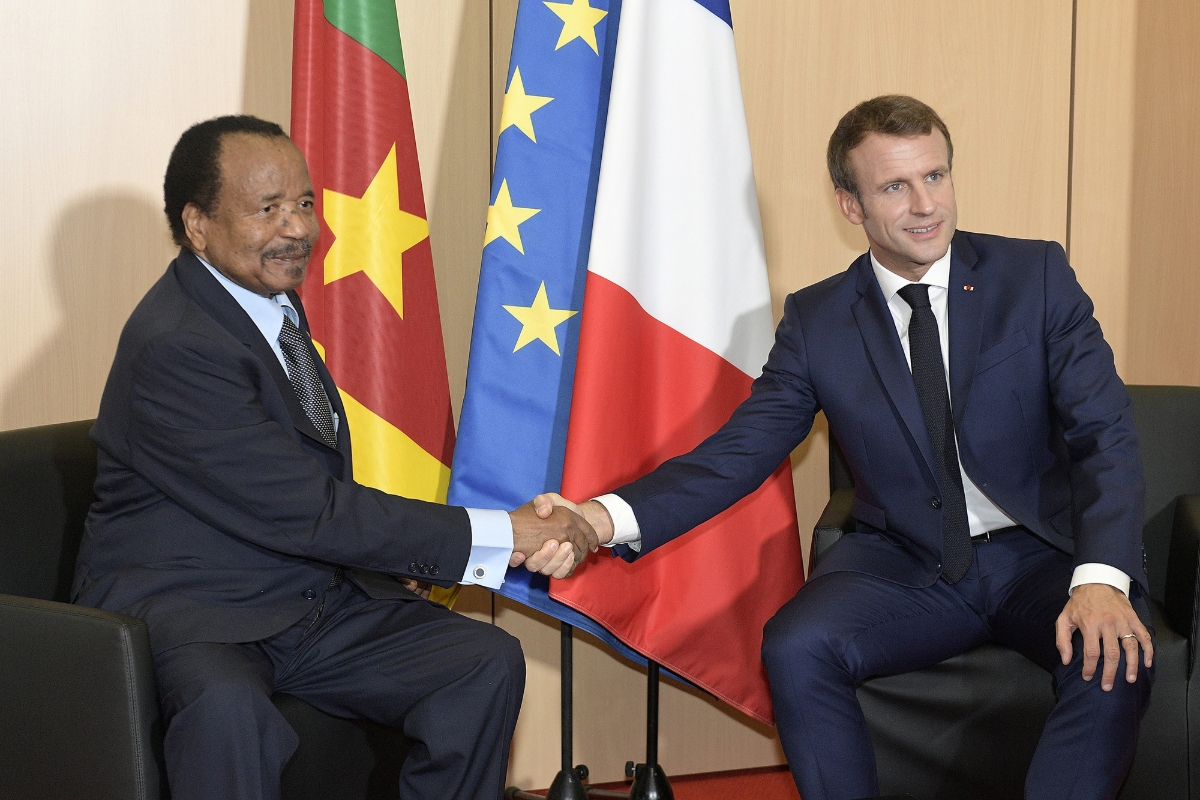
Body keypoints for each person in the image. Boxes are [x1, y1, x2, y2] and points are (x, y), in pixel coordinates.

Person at [536, 95, 1154, 800]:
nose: (926, 205)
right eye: (895, 186)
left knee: (1114, 654)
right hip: (909, 565)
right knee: (796, 646)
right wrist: (597, 517)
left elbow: (1105, 433)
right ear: (850, 206)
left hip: (1041, 551)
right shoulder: (818, 318)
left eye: (936, 176)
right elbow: (741, 451)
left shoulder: (1035, 276)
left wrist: (1101, 577)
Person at [71, 115, 596, 800]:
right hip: (197, 606)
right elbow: (303, 507)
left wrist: (385, 561)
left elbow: (300, 496)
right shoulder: (178, 345)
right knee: (230, 717)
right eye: (268, 209)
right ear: (198, 226)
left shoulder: (268, 302)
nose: (297, 228)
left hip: (302, 594)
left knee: (481, 660)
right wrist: (507, 532)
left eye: (305, 204)